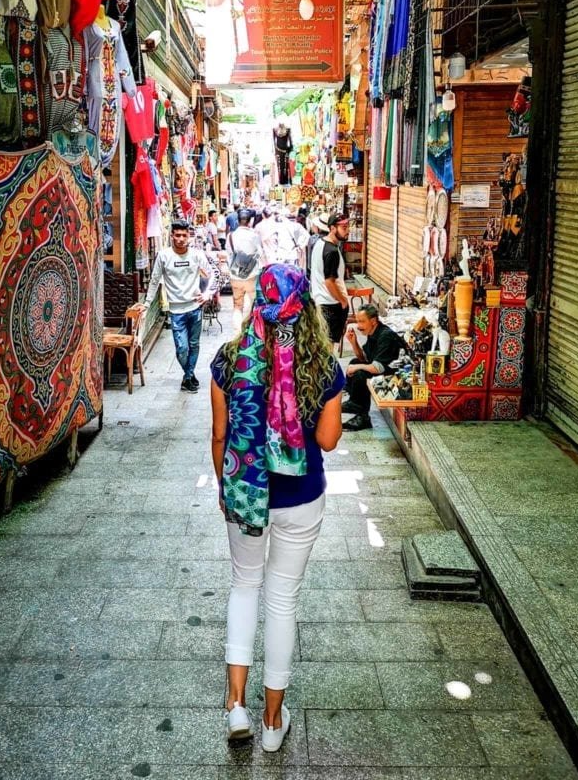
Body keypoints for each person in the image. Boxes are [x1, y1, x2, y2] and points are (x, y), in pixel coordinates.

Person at [210, 265, 344, 751]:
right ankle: (271, 723)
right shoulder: (323, 366)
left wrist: (228, 490)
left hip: (246, 495)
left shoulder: (228, 360)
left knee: (244, 586)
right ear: (305, 309)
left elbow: (221, 436)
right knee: (282, 601)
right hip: (301, 497)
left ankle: (236, 706)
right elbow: (327, 440)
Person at [145, 220, 210, 391]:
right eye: (177, 235)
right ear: (172, 236)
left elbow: (212, 274)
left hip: (195, 308)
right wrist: (146, 304)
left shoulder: (197, 255)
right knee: (182, 348)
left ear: (189, 236)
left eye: (184, 235)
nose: (181, 239)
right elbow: (154, 281)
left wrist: (207, 293)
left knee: (194, 345)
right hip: (176, 311)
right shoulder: (164, 256)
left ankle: (187, 378)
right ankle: (189, 374)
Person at [342, 305, 406, 430]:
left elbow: (378, 368)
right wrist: (354, 342)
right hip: (383, 370)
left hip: (395, 378)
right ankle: (354, 403)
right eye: (357, 321)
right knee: (354, 362)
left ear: (373, 321)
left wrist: (356, 367)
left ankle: (362, 415)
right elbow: (364, 358)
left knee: (360, 372)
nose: (358, 326)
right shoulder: (372, 333)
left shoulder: (385, 335)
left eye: (362, 321)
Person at [310, 211, 350, 342]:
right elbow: (329, 282)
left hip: (321, 301)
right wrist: (343, 301)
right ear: (332, 228)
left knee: (324, 344)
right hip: (331, 304)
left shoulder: (320, 243)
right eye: (344, 228)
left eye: (348, 226)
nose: (348, 231)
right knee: (329, 346)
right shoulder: (332, 251)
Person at [226, 208, 263, 330]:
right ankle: (250, 329)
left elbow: (229, 254)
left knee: (237, 305)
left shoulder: (231, 236)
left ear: (238, 221)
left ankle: (238, 333)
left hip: (235, 276)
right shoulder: (254, 235)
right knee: (253, 303)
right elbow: (260, 253)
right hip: (252, 275)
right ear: (250, 221)